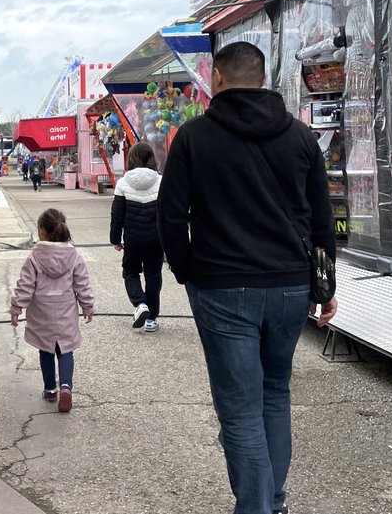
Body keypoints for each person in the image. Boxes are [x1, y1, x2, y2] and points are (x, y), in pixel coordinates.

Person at [158, 41, 337, 514]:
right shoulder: (301, 138)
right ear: (262, 78)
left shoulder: (193, 138)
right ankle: (272, 502)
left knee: (239, 411)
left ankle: (257, 508)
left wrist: (187, 272)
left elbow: (171, 217)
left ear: (217, 78)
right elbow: (322, 216)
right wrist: (325, 287)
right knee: (274, 394)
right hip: (291, 287)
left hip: (221, 286)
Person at [9, 209, 94, 414]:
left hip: (42, 312)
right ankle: (66, 386)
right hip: (65, 310)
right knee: (66, 350)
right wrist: (87, 306)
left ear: (41, 231)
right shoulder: (73, 256)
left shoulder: (34, 257)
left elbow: (25, 285)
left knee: (46, 349)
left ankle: (50, 389)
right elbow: (82, 284)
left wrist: (16, 307)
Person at [110, 142, 163, 332]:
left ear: (130, 159)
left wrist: (115, 239)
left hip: (132, 240)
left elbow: (117, 214)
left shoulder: (123, 183)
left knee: (130, 272)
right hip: (156, 240)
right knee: (153, 276)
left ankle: (140, 304)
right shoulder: (160, 181)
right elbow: (167, 213)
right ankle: (151, 320)